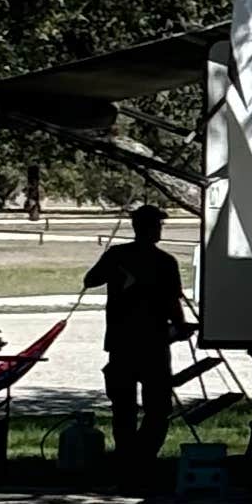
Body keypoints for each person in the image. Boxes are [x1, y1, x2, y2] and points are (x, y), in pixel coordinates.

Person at [83, 203, 190, 480]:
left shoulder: (119, 255)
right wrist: (180, 326)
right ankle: (141, 458)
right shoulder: (163, 261)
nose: (159, 230)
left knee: (125, 408)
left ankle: (129, 458)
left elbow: (90, 280)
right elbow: (173, 302)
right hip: (151, 344)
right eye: (157, 225)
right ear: (147, 228)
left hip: (123, 343)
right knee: (155, 407)